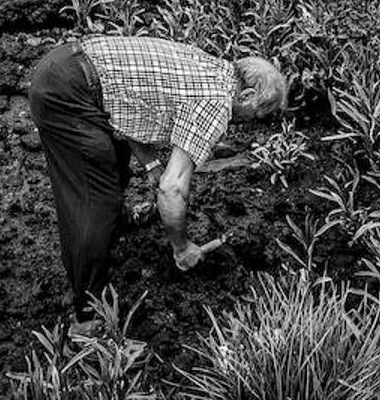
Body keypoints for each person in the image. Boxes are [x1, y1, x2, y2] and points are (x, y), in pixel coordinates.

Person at [27, 35, 288, 327]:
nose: (253, 122)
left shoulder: (211, 68)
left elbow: (132, 106)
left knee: (112, 162)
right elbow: (172, 189)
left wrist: (151, 164)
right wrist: (182, 247)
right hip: (65, 94)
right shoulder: (216, 103)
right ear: (246, 95)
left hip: (67, 67)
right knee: (93, 201)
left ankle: (116, 224)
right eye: (259, 114)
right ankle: (87, 319)